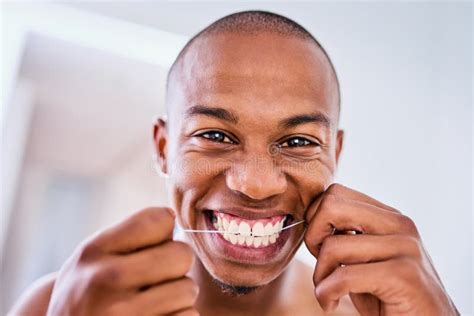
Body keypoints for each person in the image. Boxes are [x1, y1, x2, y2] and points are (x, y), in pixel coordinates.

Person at [10, 10, 459, 316]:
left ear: (334, 155)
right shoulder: (60, 305)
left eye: (298, 141)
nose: (257, 184)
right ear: (164, 147)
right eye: (215, 136)